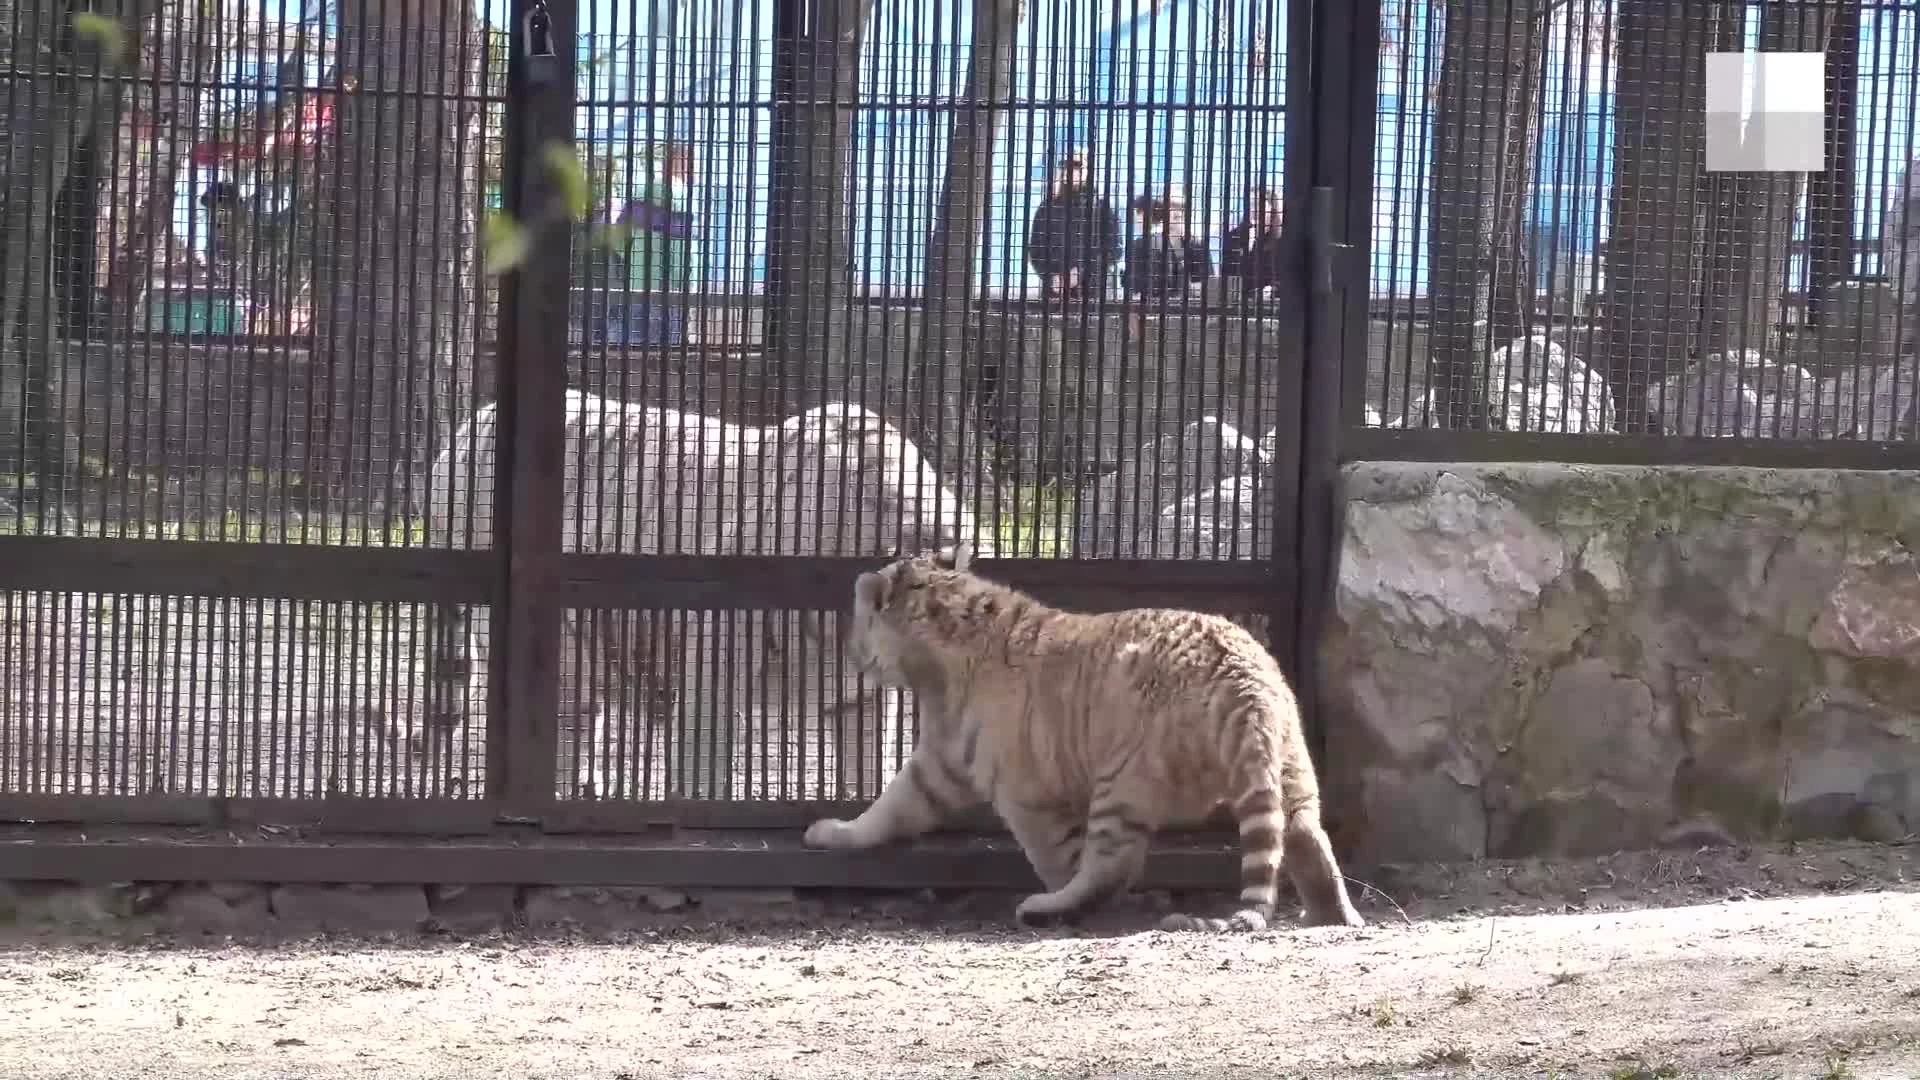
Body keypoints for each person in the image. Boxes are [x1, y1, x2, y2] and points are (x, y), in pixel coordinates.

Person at [1025, 148, 1121, 301]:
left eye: (1077, 166)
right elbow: (1035, 250)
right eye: (1064, 166)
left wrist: (1080, 273)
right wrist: (1051, 277)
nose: (1070, 171)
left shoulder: (1103, 209)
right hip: (1054, 294)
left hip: (1094, 294)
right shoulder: (1047, 208)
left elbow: (1114, 250)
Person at [1124, 188, 1212, 332]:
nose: (1174, 212)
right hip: (1154, 318)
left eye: (1179, 208)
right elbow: (1135, 288)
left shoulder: (1197, 245)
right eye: (1169, 206)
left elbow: (1207, 282)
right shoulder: (1142, 244)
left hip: (1189, 320)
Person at [1221, 184, 1285, 296]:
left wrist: (1272, 290)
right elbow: (1227, 272)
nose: (1254, 209)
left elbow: (1289, 278)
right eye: (1250, 205)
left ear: (1272, 208)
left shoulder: (1282, 239)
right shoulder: (1234, 235)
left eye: (1259, 204)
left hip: (1270, 303)